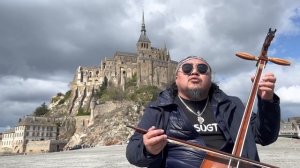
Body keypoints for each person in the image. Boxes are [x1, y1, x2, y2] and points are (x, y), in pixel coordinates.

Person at [126, 56, 280, 168]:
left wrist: (267, 102)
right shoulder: (160, 108)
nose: (194, 72)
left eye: (202, 69)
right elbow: (133, 154)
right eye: (187, 69)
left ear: (210, 77)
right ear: (176, 78)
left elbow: (265, 136)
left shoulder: (232, 105)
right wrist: (148, 149)